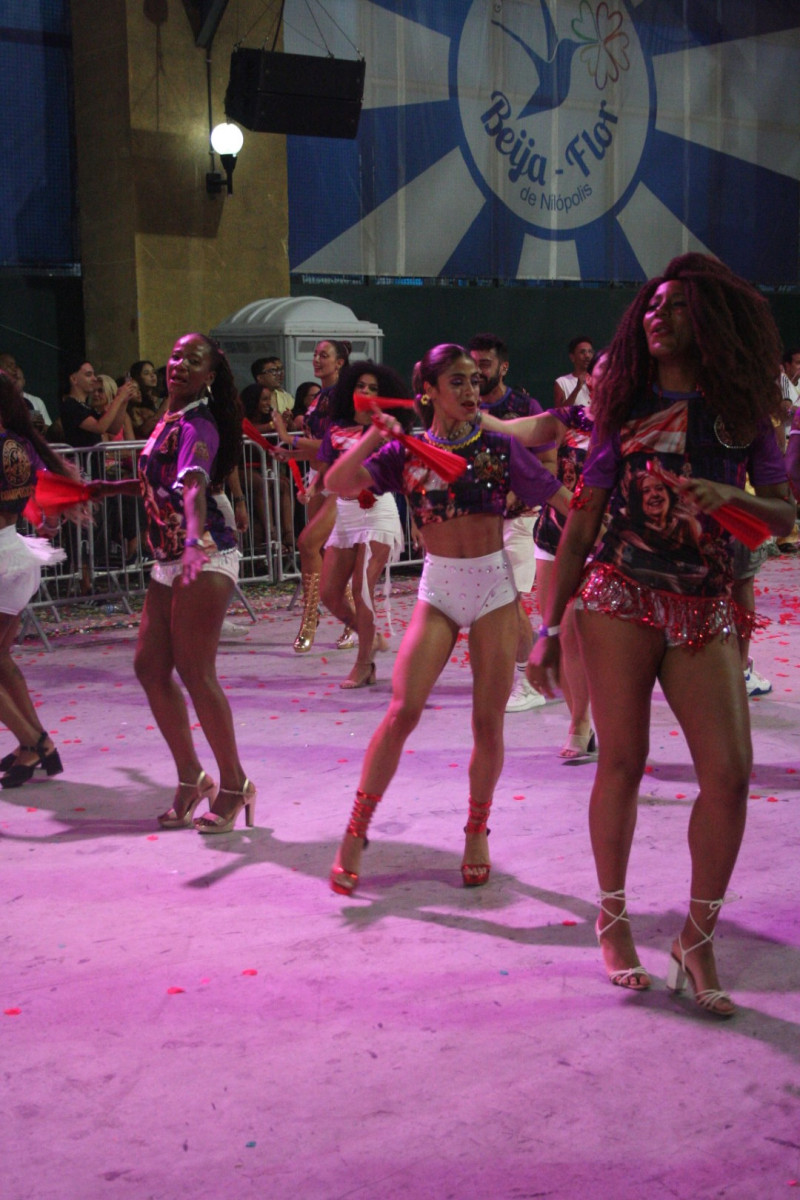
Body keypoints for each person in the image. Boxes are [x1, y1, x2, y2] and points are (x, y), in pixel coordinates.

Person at [528, 253, 794, 1017]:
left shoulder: (742, 414)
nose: (657, 315)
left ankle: (696, 939)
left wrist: (729, 497)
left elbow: (783, 513)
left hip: (704, 605)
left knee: (730, 775)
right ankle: (612, 921)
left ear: (708, 320)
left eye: (676, 306)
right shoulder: (623, 409)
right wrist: (550, 627)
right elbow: (582, 524)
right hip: (619, 598)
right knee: (622, 760)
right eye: (652, 305)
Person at [325, 343, 572, 896]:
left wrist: (606, 536)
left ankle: (476, 831)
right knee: (401, 711)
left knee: (488, 723)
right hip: (438, 590)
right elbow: (336, 484)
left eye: (474, 381)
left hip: (492, 590)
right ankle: (355, 831)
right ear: (429, 391)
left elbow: (563, 500)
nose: (470, 391)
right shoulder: (406, 452)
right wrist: (375, 435)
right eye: (456, 381)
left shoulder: (499, 448)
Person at [90, 333, 255, 833]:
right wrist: (107, 487)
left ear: (210, 375)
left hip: (203, 552)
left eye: (193, 360)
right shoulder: (169, 418)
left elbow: (194, 486)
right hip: (169, 556)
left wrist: (192, 537)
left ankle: (234, 783)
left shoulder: (198, 424)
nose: (179, 364)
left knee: (195, 670)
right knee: (149, 667)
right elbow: (160, 479)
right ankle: (191, 777)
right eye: (176, 356)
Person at [481, 351, 605, 760]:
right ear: (589, 380)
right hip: (555, 536)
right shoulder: (569, 419)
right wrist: (467, 414)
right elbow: (508, 429)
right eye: (599, 375)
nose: (605, 383)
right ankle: (580, 723)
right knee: (562, 634)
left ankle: (614, 723)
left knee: (605, 641)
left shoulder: (641, 428)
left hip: (612, 543)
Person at [316, 360, 410, 688]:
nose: (366, 392)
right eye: (361, 386)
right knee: (330, 593)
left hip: (377, 511)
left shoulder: (389, 430)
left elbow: (406, 475)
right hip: (345, 513)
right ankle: (372, 638)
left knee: (362, 589)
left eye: (373, 388)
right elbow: (327, 470)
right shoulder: (336, 427)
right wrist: (311, 489)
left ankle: (364, 664)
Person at [468, 333, 549, 713]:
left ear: (503, 367)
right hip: (480, 521)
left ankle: (530, 683)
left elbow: (548, 464)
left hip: (520, 520)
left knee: (508, 599)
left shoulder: (524, 407)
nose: (477, 371)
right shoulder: (463, 408)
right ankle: (522, 673)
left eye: (484, 364)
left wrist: (517, 496)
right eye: (472, 364)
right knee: (492, 604)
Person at [0, 369, 70, 788]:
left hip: (3, 558)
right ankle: (39, 743)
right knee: (1, 661)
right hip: (11, 553)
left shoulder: (7, 444)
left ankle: (34, 742)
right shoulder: (17, 443)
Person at [274, 339, 352, 652]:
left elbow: (331, 446)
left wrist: (286, 438)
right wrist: (290, 454)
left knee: (309, 543)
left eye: (324, 355)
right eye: (315, 354)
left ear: (340, 362)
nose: (317, 359)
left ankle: (326, 619)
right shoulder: (318, 397)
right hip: (319, 476)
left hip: (344, 478)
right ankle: (317, 617)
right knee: (320, 550)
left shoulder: (344, 397)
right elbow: (317, 449)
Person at [553, 335, 594, 408]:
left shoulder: (599, 380)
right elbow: (559, 412)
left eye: (590, 352)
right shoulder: (562, 382)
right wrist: (577, 388)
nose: (587, 355)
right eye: (582, 352)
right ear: (572, 357)